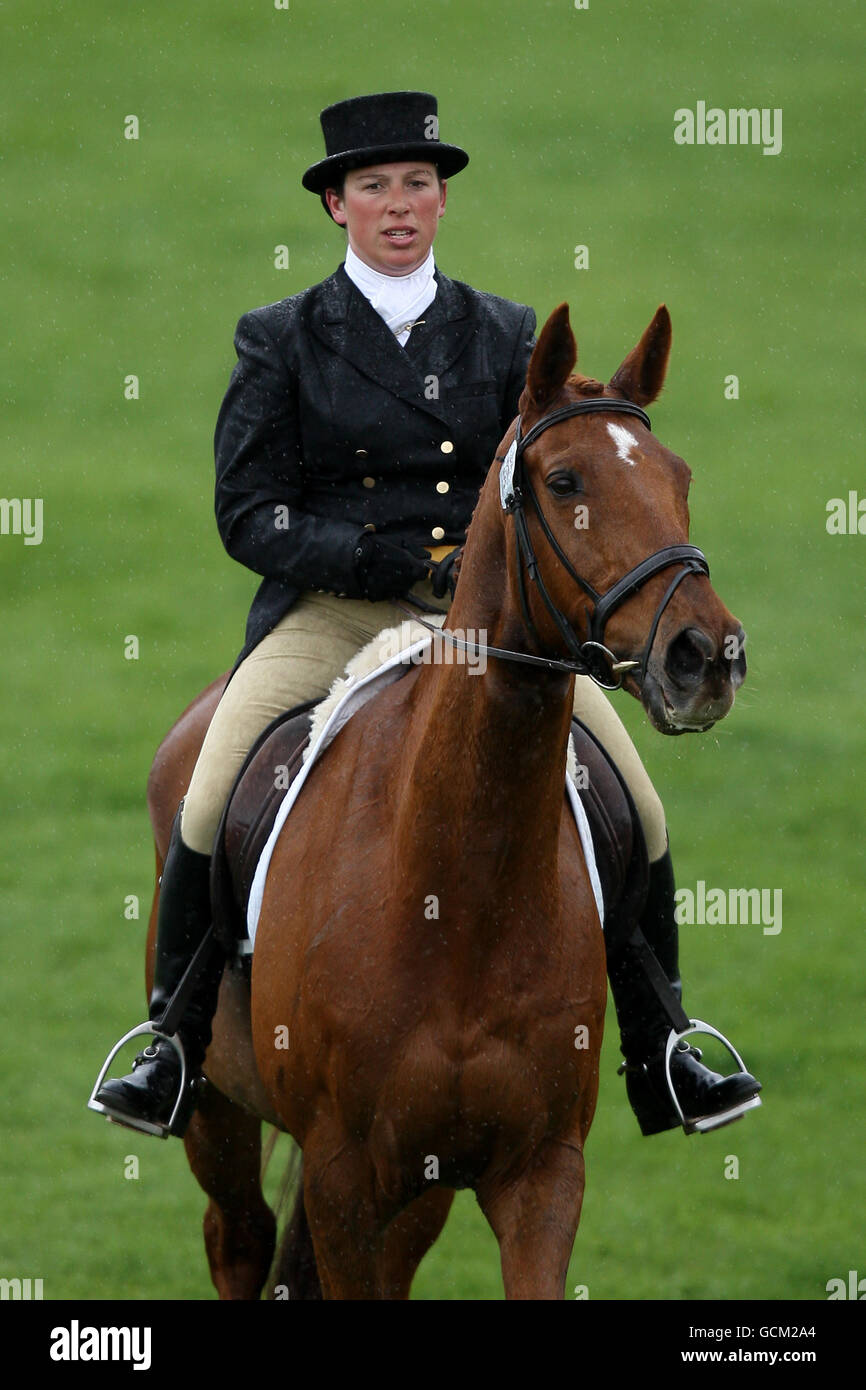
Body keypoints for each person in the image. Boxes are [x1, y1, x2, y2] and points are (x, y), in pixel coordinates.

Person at [91, 91, 760, 1141]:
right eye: (372, 187)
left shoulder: (502, 332)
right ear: (335, 207)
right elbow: (246, 509)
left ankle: (664, 1041)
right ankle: (170, 1043)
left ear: (440, 202)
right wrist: (379, 558)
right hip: (331, 616)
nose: (396, 205)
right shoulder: (282, 338)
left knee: (639, 805)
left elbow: (561, 461)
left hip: (482, 632)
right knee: (208, 790)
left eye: (415, 185)